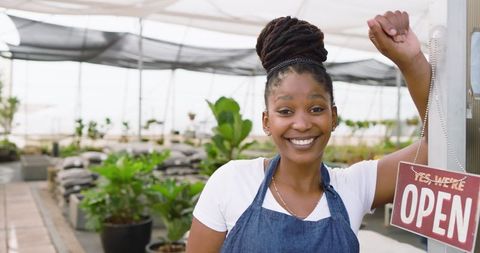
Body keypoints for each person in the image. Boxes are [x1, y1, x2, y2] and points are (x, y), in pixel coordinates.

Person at [186, 10, 430, 253]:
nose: (301, 124)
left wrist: (410, 61)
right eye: (285, 111)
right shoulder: (232, 182)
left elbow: (437, 146)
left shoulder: (354, 186)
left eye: (315, 108)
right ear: (266, 121)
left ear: (333, 117)